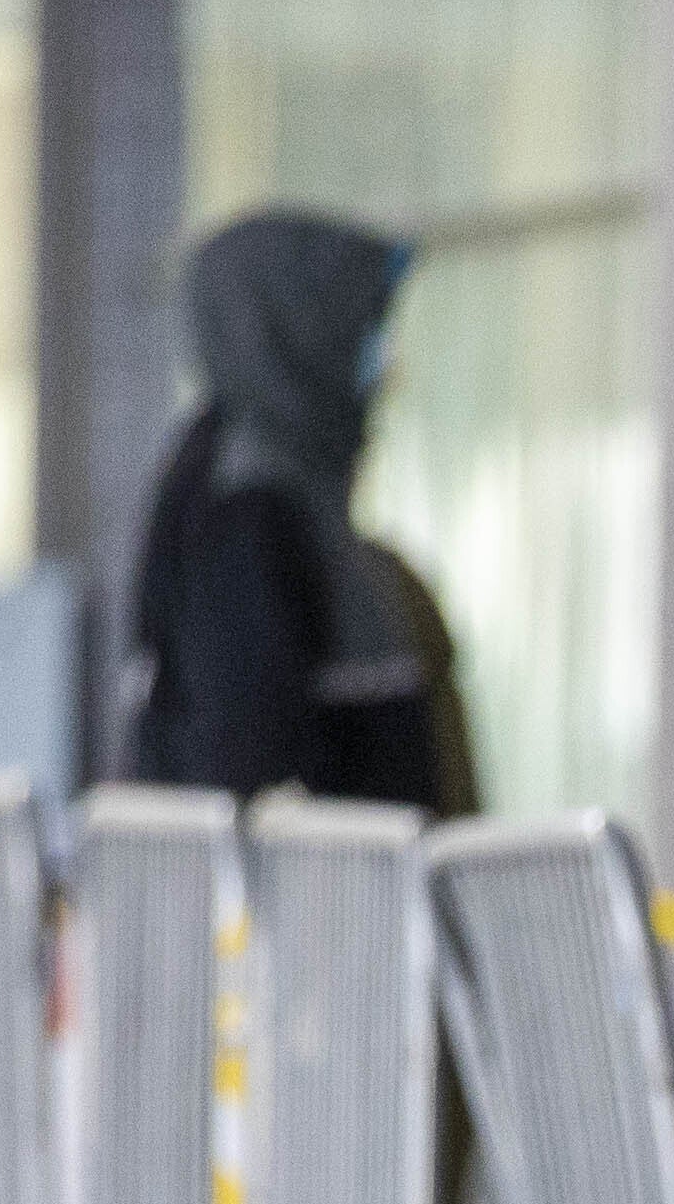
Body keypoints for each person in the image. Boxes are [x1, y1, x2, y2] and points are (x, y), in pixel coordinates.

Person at [123, 210, 466, 809]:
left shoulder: (239, 495)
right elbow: (251, 772)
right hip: (336, 899)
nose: (387, 373)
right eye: (364, 338)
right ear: (299, 335)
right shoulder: (246, 514)